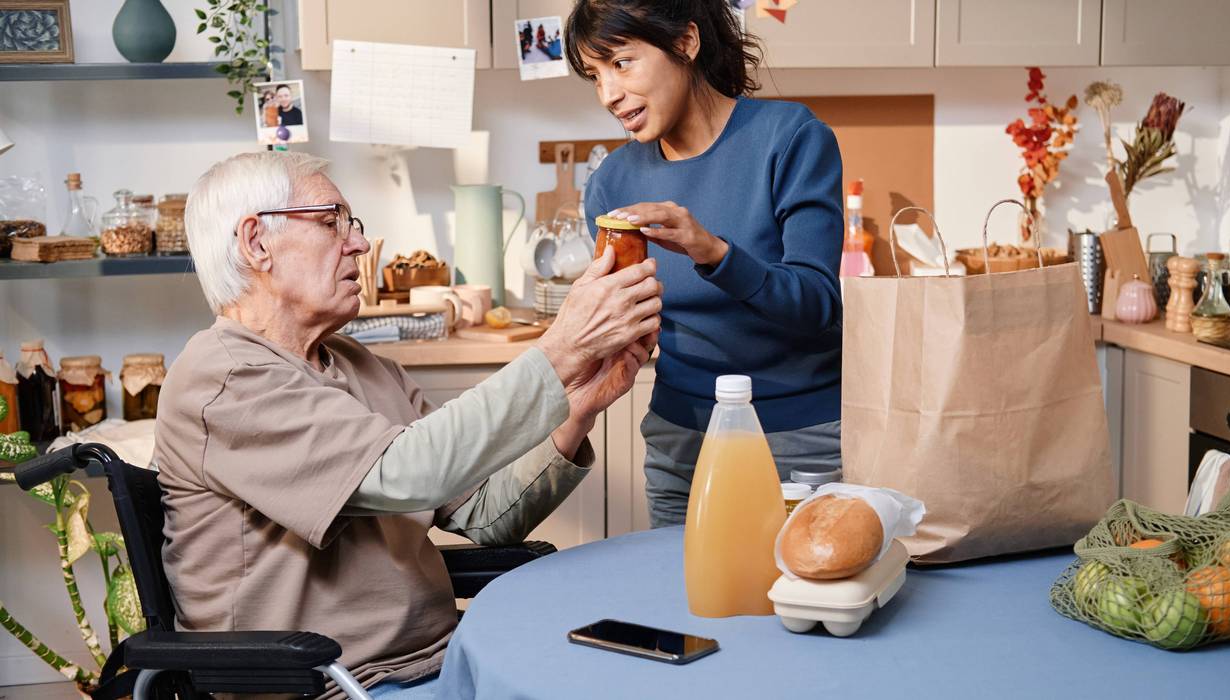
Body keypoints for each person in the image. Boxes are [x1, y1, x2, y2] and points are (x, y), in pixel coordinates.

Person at [155, 151, 661, 698]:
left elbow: (484, 513)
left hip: (444, 658)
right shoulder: (224, 380)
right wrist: (559, 348)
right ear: (257, 243)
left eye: (352, 225)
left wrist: (577, 404)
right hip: (332, 684)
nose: (359, 244)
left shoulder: (362, 365)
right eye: (331, 222)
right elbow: (410, 474)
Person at [567, 0, 844, 528]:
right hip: (681, 443)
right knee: (684, 603)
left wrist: (712, 251)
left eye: (621, 63)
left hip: (802, 443)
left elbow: (818, 304)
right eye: (595, 75)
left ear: (686, 42)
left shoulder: (791, 139)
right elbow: (633, 325)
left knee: (802, 602)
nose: (609, 94)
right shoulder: (612, 184)